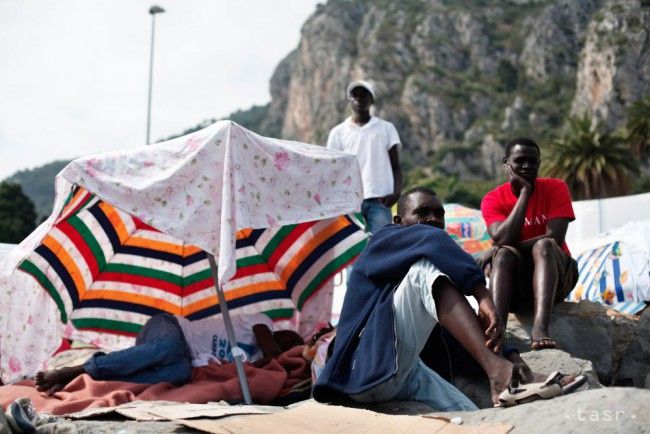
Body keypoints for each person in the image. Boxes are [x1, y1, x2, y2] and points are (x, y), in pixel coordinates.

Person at [313, 187, 578, 409]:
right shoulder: (380, 242)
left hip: (403, 374)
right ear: (398, 222)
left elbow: (454, 340)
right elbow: (431, 240)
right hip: (363, 366)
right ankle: (498, 374)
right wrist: (482, 294)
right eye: (422, 212)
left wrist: (513, 358)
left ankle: (509, 376)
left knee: (473, 418)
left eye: (439, 214)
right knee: (424, 272)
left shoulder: (423, 296)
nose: (433, 219)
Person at [35, 312, 303, 395]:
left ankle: (102, 373)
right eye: (290, 336)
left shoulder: (256, 361)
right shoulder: (262, 322)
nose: (287, 341)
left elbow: (269, 358)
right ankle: (79, 369)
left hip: (182, 357)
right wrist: (291, 349)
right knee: (168, 348)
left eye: (291, 344)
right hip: (169, 327)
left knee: (179, 374)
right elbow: (271, 347)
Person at [480, 138, 579, 351]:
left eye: (533, 162)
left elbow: (555, 239)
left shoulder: (555, 188)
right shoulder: (493, 199)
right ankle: (498, 331)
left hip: (558, 277)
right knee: (504, 255)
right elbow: (502, 237)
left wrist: (497, 249)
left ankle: (541, 329)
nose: (527, 166)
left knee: (542, 246)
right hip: (517, 287)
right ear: (506, 164)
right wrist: (524, 193)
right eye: (520, 161)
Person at [326, 80, 402, 234]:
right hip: (349, 202)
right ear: (349, 100)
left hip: (380, 199)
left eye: (364, 95)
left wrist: (397, 193)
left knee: (381, 245)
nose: (359, 99)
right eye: (355, 95)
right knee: (353, 248)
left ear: (371, 99)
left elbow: (395, 165)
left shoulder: (386, 128)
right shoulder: (338, 132)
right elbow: (332, 170)